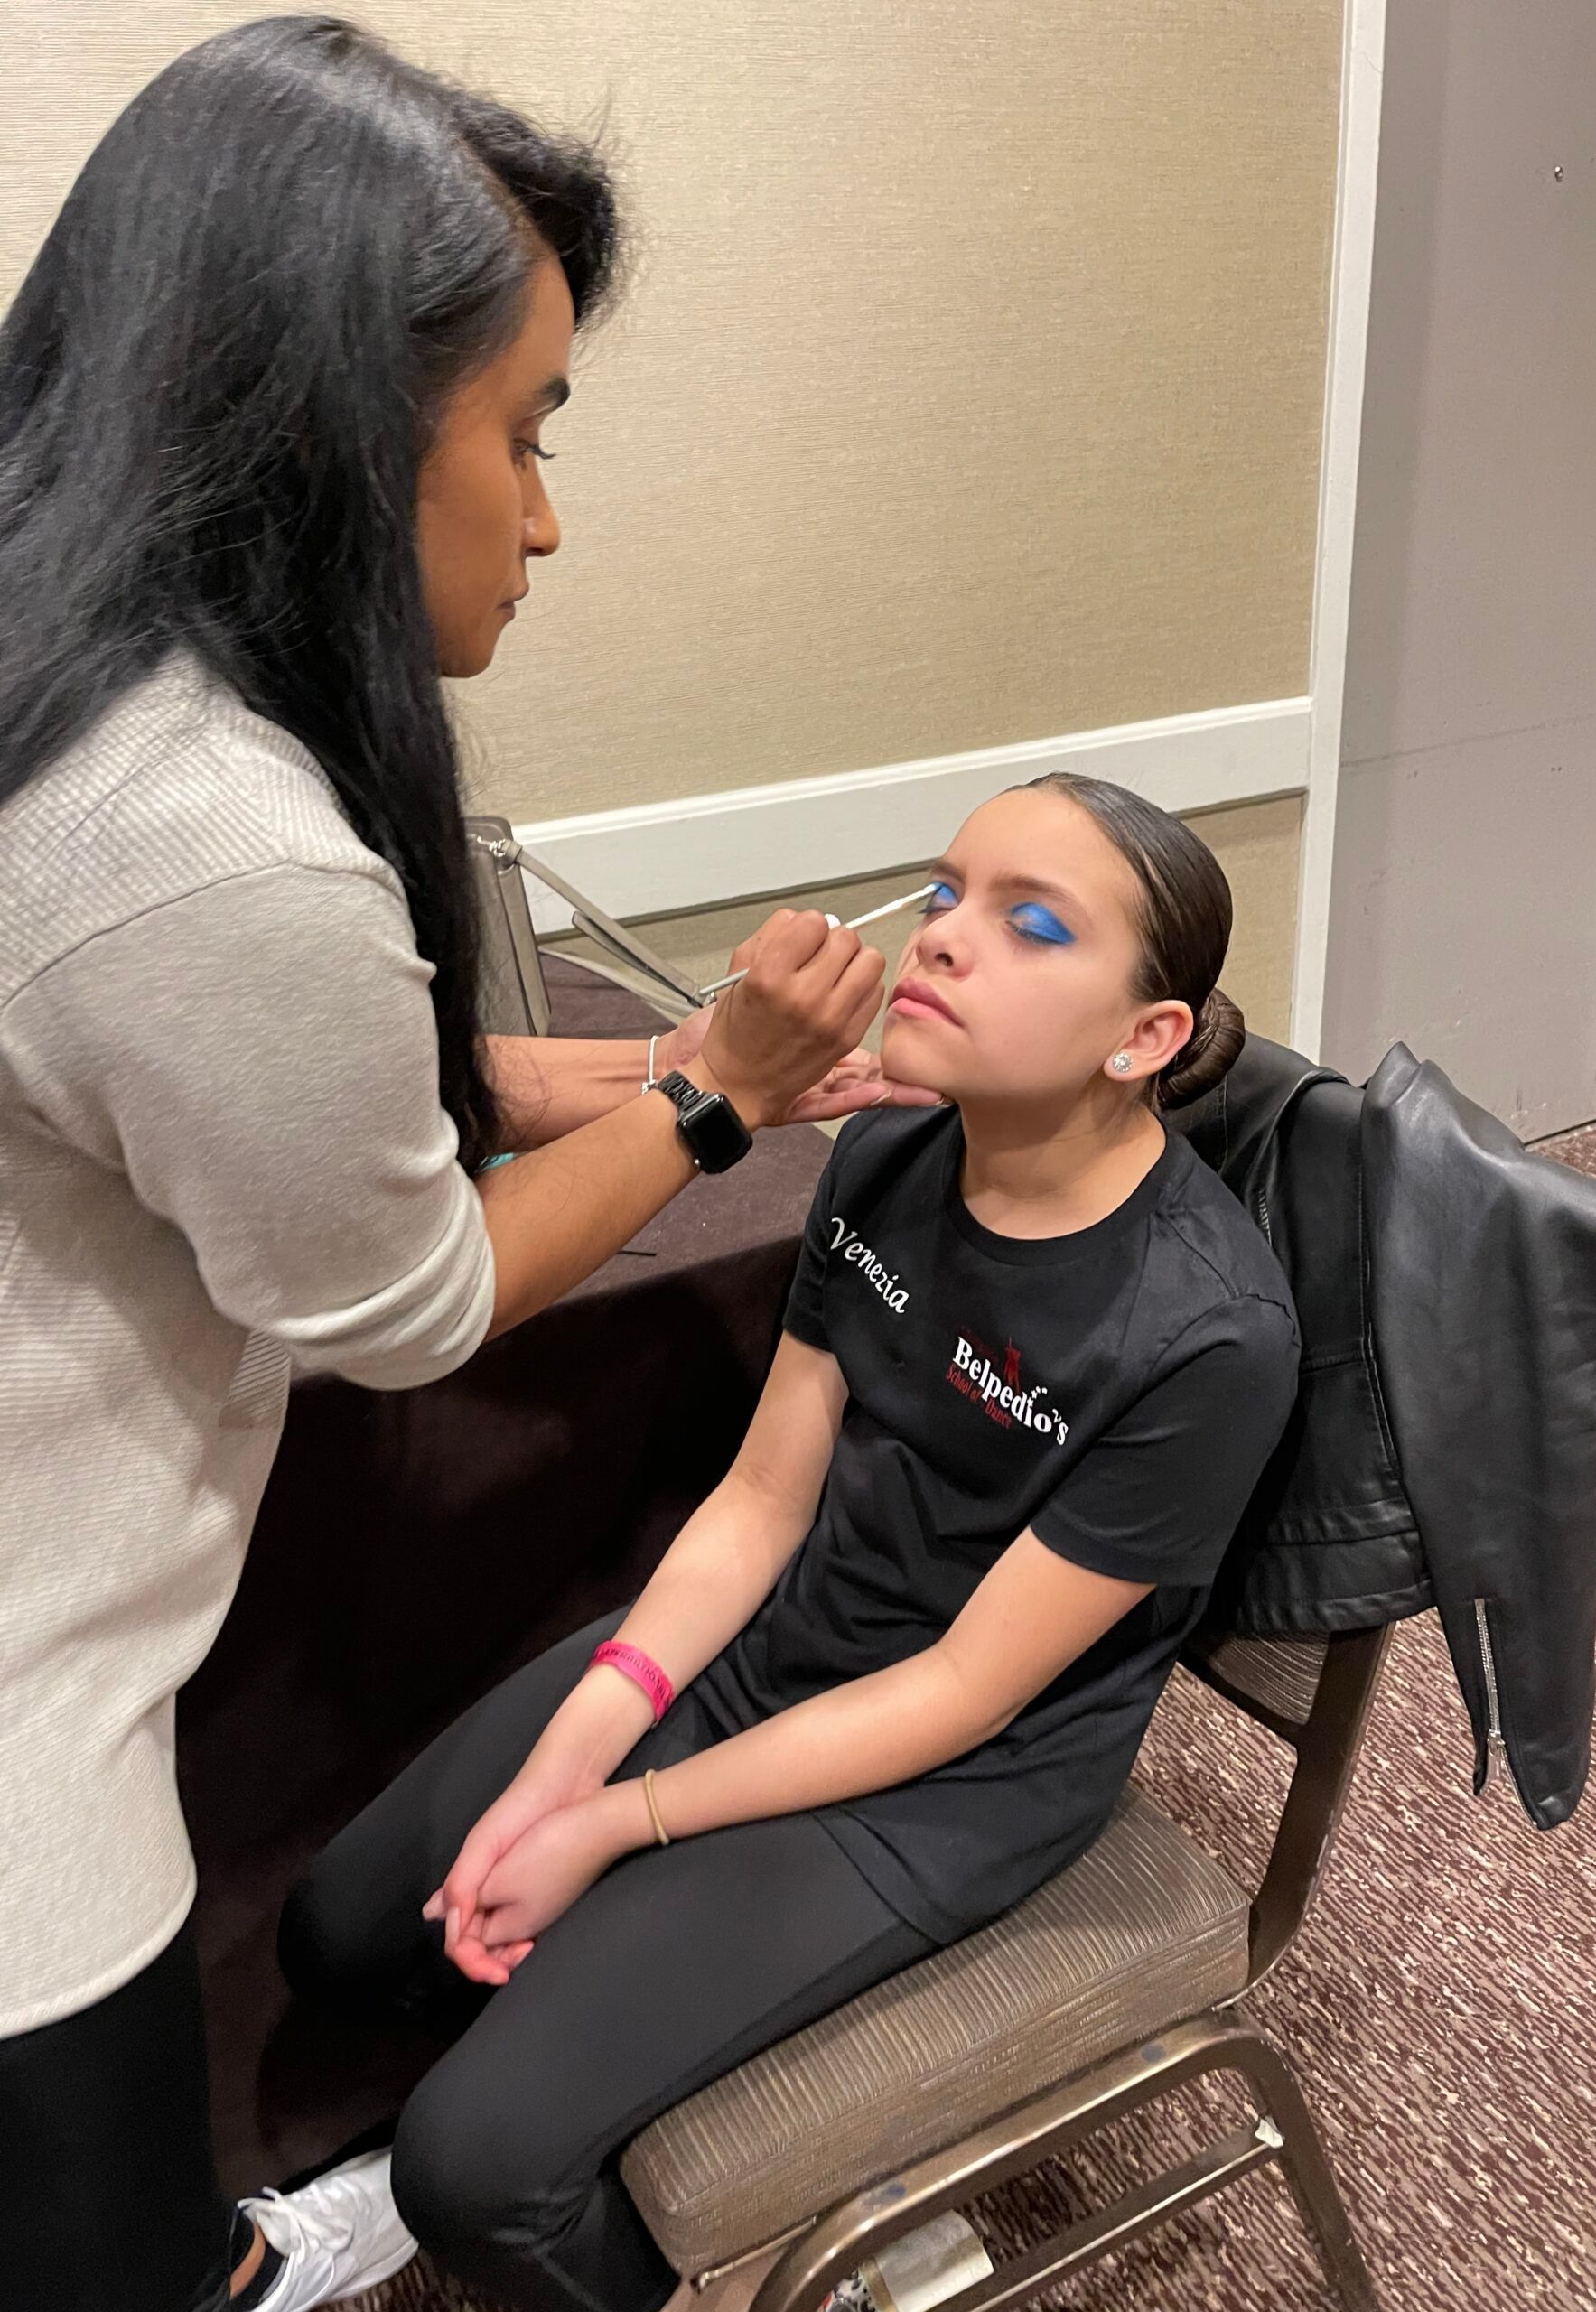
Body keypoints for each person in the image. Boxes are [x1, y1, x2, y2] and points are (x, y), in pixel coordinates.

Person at [0, 23, 929, 2312]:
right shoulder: (206, 837)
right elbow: (406, 1297)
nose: (544, 514)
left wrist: (654, 1065)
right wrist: (711, 1103)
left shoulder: (68, 685)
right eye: (525, 432)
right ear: (333, 426)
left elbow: (254, 1069)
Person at [279, 773, 1303, 2312]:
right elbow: (761, 1503)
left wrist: (617, 1823)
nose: (942, 937)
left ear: (1143, 1037)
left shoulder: (1207, 1334)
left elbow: (960, 1690)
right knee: (343, 1933)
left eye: (1032, 926)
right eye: (947, 894)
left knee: (473, 2175)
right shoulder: (888, 1156)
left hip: (952, 1778)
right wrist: (571, 1762)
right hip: (784, 1640)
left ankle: (791, 2254)